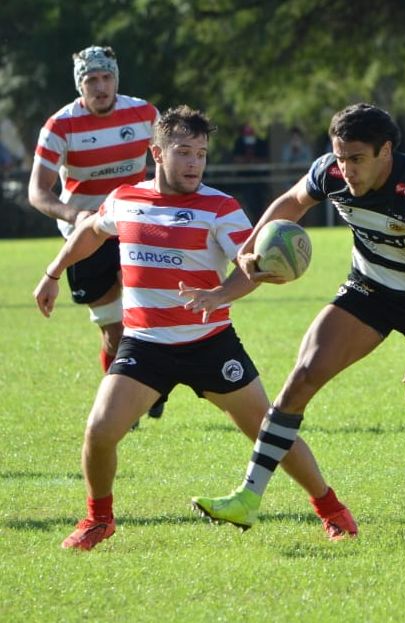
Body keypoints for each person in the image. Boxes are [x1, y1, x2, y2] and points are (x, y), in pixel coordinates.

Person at [189, 103, 405, 529]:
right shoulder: (331, 173)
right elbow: (288, 204)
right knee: (302, 376)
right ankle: (249, 497)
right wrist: (242, 263)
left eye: (356, 159)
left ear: (386, 152)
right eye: (340, 157)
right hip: (370, 290)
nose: (346, 169)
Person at [32, 105, 357, 551]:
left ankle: (332, 510)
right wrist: (51, 273)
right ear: (157, 153)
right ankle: (98, 519)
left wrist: (223, 293)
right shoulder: (127, 199)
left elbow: (247, 264)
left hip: (210, 344)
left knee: (268, 430)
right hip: (145, 346)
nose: (193, 163)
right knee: (100, 431)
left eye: (201, 154)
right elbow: (89, 231)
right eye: (183, 152)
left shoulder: (220, 208)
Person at [27, 45, 167, 419]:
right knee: (114, 329)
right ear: (80, 85)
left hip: (136, 224)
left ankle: (150, 387)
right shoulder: (61, 126)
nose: (101, 86)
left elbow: (168, 162)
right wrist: (74, 215)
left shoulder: (144, 114)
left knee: (149, 313)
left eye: (107, 78)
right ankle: (123, 404)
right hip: (86, 234)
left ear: (116, 79)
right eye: (92, 80)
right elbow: (37, 191)